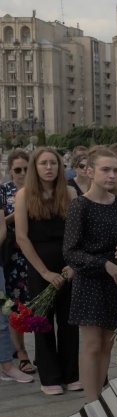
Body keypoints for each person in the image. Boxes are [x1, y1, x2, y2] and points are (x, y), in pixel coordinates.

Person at [63, 148, 117, 402]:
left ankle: (100, 397)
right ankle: (91, 403)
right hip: (90, 281)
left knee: (107, 344)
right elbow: (70, 252)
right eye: (106, 170)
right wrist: (104, 264)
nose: (112, 175)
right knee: (92, 345)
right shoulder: (80, 205)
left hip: (115, 282)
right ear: (90, 172)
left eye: (115, 170)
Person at [15, 148, 80, 395]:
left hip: (68, 264)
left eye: (53, 163)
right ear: (35, 167)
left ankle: (71, 373)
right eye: (44, 163)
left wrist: (73, 265)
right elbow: (22, 237)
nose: (49, 167)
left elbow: (78, 232)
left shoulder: (70, 192)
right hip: (39, 265)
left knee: (69, 322)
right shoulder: (24, 195)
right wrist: (44, 272)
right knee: (42, 323)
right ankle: (50, 376)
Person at [1, 150, 36, 375]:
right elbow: (1, 222)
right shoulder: (4, 191)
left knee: (36, 304)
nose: (22, 173)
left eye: (26, 169)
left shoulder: (38, 189)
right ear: (10, 171)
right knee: (16, 305)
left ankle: (43, 353)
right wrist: (18, 213)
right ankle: (21, 352)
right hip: (13, 256)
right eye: (18, 170)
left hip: (36, 252)